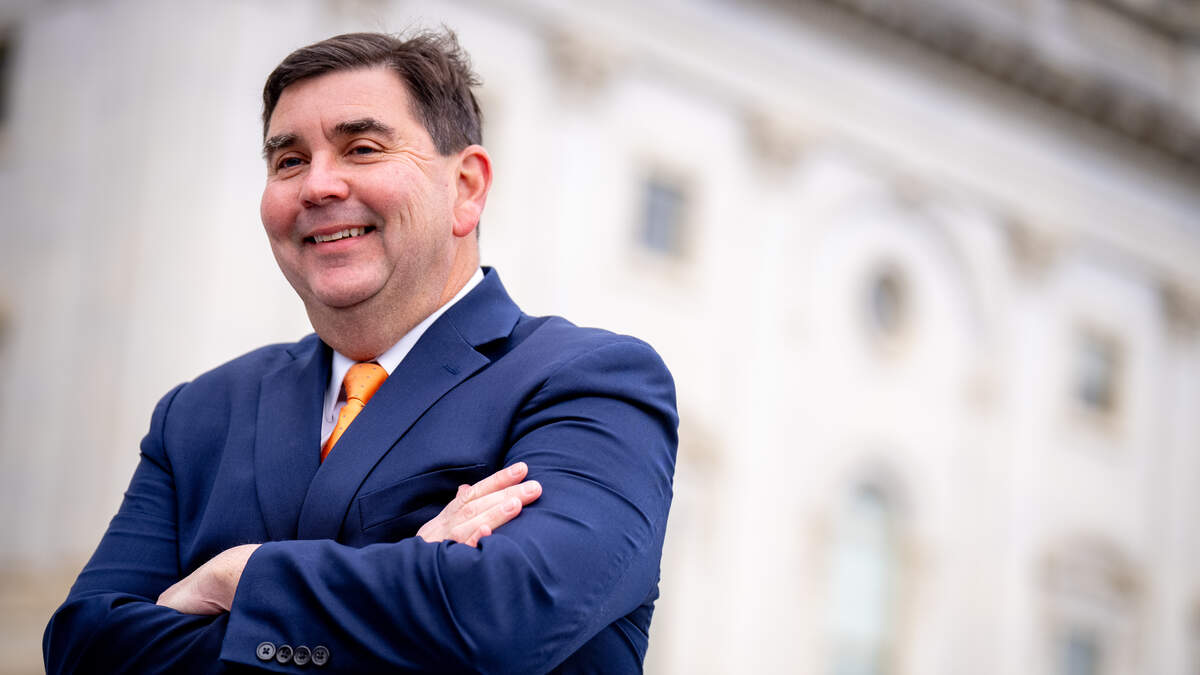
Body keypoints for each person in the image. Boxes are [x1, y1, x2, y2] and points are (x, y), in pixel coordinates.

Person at [43, 31, 678, 673]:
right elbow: (85, 647)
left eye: (363, 149)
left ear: (466, 187)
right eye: (289, 161)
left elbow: (507, 617)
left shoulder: (591, 381)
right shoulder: (199, 412)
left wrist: (235, 577)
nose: (317, 185)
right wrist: (416, 576)